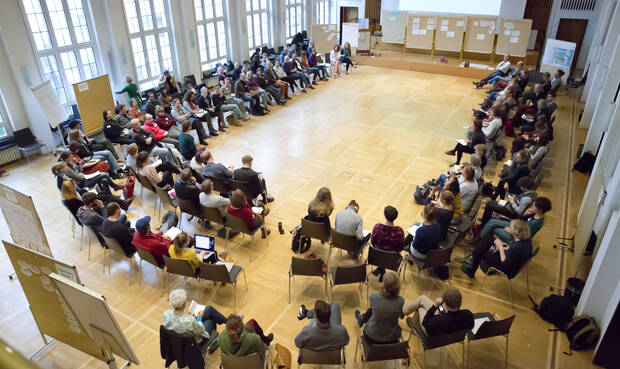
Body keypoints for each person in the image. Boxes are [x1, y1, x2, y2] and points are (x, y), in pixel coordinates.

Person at [461, 219, 533, 279]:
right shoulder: (526, 240)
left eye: (510, 227)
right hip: (512, 259)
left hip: (506, 267)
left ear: (515, 232)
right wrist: (502, 247)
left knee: (481, 252)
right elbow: (511, 249)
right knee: (488, 239)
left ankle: (471, 270)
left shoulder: (517, 247)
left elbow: (505, 263)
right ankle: (474, 257)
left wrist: (501, 247)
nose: (508, 228)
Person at [162, 289, 226, 353]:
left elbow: (179, 322)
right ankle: (212, 344)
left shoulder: (166, 314)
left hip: (178, 342)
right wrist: (199, 319)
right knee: (211, 320)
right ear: (184, 304)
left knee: (209, 309)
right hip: (194, 344)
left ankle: (227, 321)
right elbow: (201, 330)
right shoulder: (190, 321)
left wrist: (188, 317)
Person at [354, 271, 404, 344]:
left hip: (371, 337)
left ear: (383, 284)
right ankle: (362, 319)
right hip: (392, 339)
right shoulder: (401, 301)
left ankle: (362, 319)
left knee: (374, 309)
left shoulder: (373, 297)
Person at [403, 287, 474, 337]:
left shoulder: (439, 320)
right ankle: (411, 320)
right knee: (423, 299)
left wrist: (435, 306)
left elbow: (425, 322)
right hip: (449, 336)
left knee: (421, 307)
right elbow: (471, 326)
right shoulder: (467, 314)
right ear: (460, 301)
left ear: (445, 303)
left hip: (432, 334)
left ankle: (404, 313)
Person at [481, 196, 551, 244]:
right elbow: (520, 219)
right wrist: (525, 214)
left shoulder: (536, 223)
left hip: (515, 236)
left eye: (534, 206)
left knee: (493, 228)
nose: (532, 206)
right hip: (516, 226)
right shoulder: (534, 214)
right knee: (491, 222)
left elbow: (524, 236)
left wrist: (511, 231)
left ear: (540, 209)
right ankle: (482, 236)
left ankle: (480, 239)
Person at [55, 153, 123, 194]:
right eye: (70, 157)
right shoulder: (66, 169)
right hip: (82, 184)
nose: (72, 157)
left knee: (105, 179)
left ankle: (109, 196)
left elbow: (81, 170)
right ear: (66, 159)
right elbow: (80, 177)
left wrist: (77, 163)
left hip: (85, 178)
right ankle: (115, 186)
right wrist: (82, 174)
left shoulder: (71, 163)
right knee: (104, 174)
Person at [370, 206, 405, 282]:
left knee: (381, 251)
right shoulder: (399, 231)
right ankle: (381, 270)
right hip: (392, 261)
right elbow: (401, 247)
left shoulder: (377, 227)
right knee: (388, 253)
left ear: (385, 216)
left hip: (376, 257)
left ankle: (380, 269)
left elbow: (372, 242)